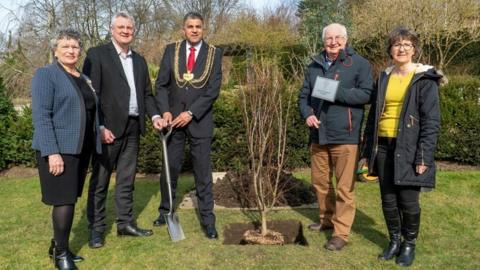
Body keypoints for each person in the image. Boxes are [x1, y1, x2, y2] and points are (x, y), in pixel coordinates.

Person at [360, 27, 441, 267]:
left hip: (409, 147)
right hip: (383, 146)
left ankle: (408, 244)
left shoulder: (424, 79)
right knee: (388, 199)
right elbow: (374, 114)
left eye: (407, 45)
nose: (402, 49)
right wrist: (367, 152)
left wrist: (423, 157)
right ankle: (394, 241)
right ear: (390, 50)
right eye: (397, 45)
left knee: (408, 201)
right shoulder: (384, 76)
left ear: (414, 50)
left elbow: (431, 121)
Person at [83, 11, 159, 248]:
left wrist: (155, 115)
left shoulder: (139, 60)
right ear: (112, 29)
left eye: (130, 28)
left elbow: (147, 93)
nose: (126, 31)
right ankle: (96, 228)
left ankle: (125, 224)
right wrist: (100, 126)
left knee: (127, 180)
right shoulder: (97, 55)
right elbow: (90, 95)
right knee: (101, 181)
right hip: (108, 130)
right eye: (121, 27)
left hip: (133, 127)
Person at [298, 23, 373, 251]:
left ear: (346, 39)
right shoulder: (314, 65)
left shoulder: (359, 64)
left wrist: (333, 91)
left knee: (344, 188)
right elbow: (304, 97)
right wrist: (308, 114)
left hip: (345, 135)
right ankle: (327, 219)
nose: (334, 42)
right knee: (320, 183)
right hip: (318, 134)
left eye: (338, 37)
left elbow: (366, 94)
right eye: (329, 38)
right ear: (323, 41)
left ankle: (341, 233)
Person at [32, 29, 102, 270]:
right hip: (59, 150)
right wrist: (52, 152)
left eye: (75, 47)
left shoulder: (83, 77)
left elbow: (89, 110)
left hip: (80, 148)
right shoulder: (46, 74)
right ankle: (61, 254)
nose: (71, 51)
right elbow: (41, 116)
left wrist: (99, 130)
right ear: (55, 50)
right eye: (66, 46)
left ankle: (57, 245)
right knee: (64, 202)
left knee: (70, 199)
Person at [151, 12, 222, 239]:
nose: (194, 30)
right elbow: (161, 85)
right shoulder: (172, 50)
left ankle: (208, 220)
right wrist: (165, 110)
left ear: (203, 29)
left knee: (202, 172)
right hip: (172, 122)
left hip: (199, 121)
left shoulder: (214, 54)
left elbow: (213, 91)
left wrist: (191, 113)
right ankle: (166, 211)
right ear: (183, 29)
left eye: (198, 26)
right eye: (189, 26)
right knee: (169, 168)